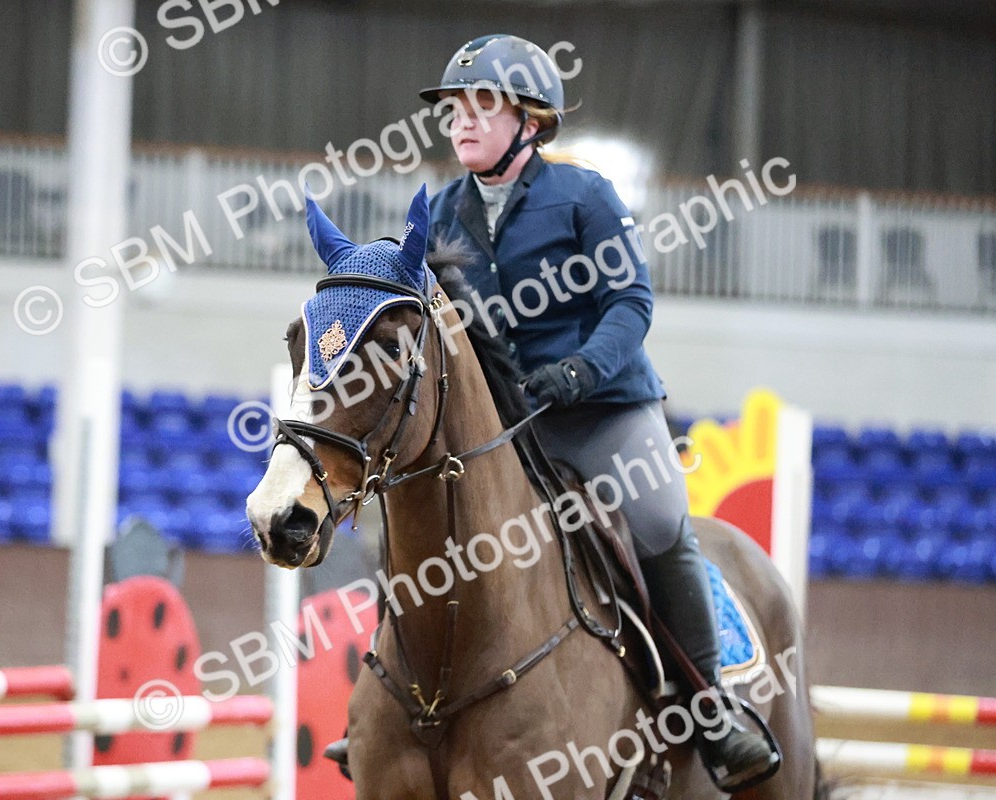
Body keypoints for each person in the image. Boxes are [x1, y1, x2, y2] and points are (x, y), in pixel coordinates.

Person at [326, 34, 779, 791]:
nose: (461, 122)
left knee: (663, 523)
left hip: (605, 413)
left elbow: (631, 302)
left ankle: (709, 706)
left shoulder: (586, 197)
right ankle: (391, 705)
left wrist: (581, 368)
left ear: (530, 122)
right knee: (416, 520)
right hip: (508, 425)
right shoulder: (439, 214)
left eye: (482, 107)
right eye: (454, 110)